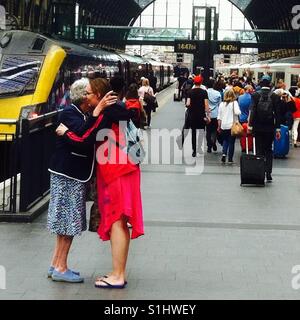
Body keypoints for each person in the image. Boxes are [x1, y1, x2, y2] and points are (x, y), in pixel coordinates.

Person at [56, 78, 144, 289]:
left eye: (88, 93)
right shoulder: (115, 109)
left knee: (117, 222)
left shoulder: (107, 112)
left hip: (117, 170)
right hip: (122, 168)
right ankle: (117, 272)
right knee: (120, 222)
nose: (85, 97)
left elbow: (85, 139)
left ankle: (117, 276)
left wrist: (66, 132)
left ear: (99, 95)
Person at [47, 78, 117, 283]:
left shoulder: (80, 114)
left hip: (70, 172)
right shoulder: (71, 113)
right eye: (86, 94)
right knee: (68, 222)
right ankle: (61, 267)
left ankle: (56, 263)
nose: (88, 97)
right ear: (84, 99)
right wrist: (95, 114)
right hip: (69, 173)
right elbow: (84, 139)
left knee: (63, 222)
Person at [248, 75, 281, 182]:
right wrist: (278, 129)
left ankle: (260, 172)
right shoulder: (275, 96)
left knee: (259, 150)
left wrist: (250, 125)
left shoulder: (255, 95)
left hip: (257, 127)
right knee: (268, 150)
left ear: (261, 83)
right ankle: (268, 173)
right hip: (270, 128)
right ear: (270, 84)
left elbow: (252, 111)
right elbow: (277, 114)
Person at [186, 75, 210, 157]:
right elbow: (206, 105)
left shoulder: (190, 92)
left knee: (193, 132)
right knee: (201, 132)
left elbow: (188, 103)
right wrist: (208, 115)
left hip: (192, 115)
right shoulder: (204, 92)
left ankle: (194, 151)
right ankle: (199, 147)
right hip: (201, 115)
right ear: (201, 82)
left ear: (194, 82)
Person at [217, 89, 241, 164]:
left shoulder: (221, 104)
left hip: (224, 125)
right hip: (232, 126)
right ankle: (230, 159)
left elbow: (219, 117)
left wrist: (219, 126)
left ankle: (224, 154)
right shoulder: (234, 103)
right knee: (231, 142)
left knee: (225, 141)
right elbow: (238, 112)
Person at [206, 79, 221, 153]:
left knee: (208, 131)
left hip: (207, 114)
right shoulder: (218, 93)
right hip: (216, 114)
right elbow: (220, 104)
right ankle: (213, 142)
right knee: (214, 131)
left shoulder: (205, 92)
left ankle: (209, 146)